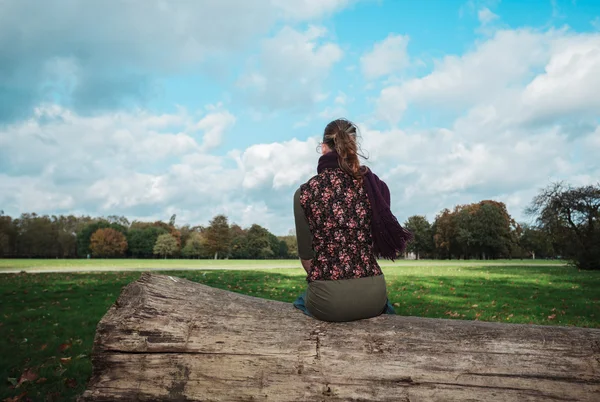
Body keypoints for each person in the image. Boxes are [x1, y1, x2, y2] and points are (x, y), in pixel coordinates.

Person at [293, 118, 412, 322]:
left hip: (330, 301)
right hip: (374, 294)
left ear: (323, 148)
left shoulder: (304, 193)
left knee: (300, 302)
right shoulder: (374, 186)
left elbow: (307, 259)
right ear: (353, 146)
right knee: (386, 309)